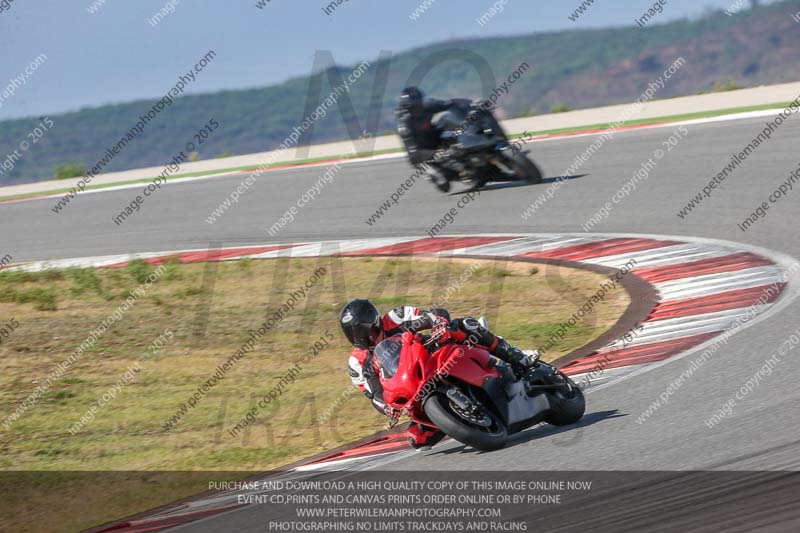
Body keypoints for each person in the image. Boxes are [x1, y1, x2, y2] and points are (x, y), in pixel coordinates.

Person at [340, 298, 538, 450]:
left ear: (375, 323)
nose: (361, 339)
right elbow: (375, 393)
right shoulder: (357, 362)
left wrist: (439, 323)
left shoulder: (395, 318)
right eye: (353, 335)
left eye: (363, 332)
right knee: (418, 439)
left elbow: (432, 315)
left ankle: (518, 356)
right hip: (413, 388)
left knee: (465, 326)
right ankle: (458, 416)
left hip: (432, 353)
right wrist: (387, 407)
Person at [395, 86, 461, 190]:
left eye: (419, 104)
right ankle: (433, 174)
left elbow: (449, 103)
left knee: (447, 121)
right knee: (443, 184)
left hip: (433, 136)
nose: (418, 109)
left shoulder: (428, 105)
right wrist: (435, 154)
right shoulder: (404, 124)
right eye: (414, 107)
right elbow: (413, 153)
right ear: (407, 108)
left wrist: (471, 104)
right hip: (422, 152)